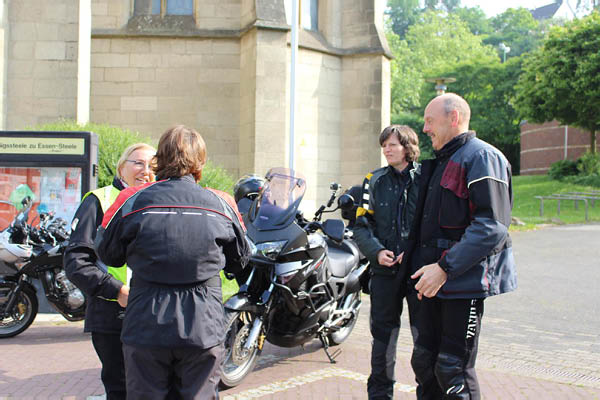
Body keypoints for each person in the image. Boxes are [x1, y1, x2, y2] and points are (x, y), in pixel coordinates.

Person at [95, 125, 250, 400]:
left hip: (146, 321)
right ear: (200, 161)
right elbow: (240, 260)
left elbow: (108, 253)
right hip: (203, 322)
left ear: (159, 159)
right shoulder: (221, 202)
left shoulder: (131, 200)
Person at [408, 93, 517, 399]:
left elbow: (492, 226)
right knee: (424, 362)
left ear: (453, 118)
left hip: (461, 282)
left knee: (451, 368)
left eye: (430, 121)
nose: (425, 128)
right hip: (428, 283)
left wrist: (444, 268)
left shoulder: (482, 157)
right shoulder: (442, 162)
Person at [64, 142, 156, 400]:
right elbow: (76, 261)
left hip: (154, 314)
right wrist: (117, 290)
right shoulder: (99, 200)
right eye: (138, 162)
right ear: (120, 168)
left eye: (152, 166)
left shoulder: (160, 200)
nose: (145, 170)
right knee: (122, 389)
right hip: (113, 314)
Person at [353, 125, 421, 399]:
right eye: (384, 145)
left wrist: (412, 251)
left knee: (424, 341)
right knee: (382, 341)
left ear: (408, 147)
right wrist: (377, 251)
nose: (387, 149)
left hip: (418, 272)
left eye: (392, 144)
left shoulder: (425, 178)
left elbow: (432, 223)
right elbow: (361, 225)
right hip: (383, 272)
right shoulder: (373, 179)